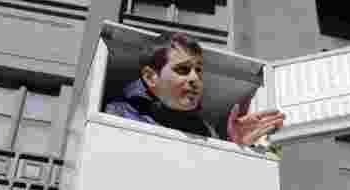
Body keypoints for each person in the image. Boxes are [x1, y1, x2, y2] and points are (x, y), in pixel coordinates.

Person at [105, 32, 286, 146]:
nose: (195, 78)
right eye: (183, 69)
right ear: (151, 77)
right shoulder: (118, 113)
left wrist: (237, 146)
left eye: (198, 70)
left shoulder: (205, 130)